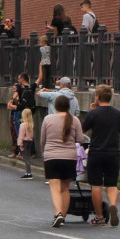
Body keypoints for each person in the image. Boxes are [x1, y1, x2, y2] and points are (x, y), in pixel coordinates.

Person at [82, 85, 120, 226]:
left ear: (97, 97)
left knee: (96, 185)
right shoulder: (118, 114)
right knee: (112, 184)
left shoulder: (93, 114)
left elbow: (82, 130)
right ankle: (113, 205)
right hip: (113, 153)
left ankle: (100, 217)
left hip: (96, 152)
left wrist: (92, 111)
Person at [39, 95, 84, 227]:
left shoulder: (48, 119)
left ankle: (57, 213)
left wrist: (44, 153)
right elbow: (80, 139)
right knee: (65, 188)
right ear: (69, 106)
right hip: (69, 157)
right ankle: (62, 216)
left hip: (52, 156)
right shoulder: (74, 120)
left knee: (55, 188)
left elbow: (43, 139)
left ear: (55, 106)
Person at [18, 108, 34, 180]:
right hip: (30, 142)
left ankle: (28, 173)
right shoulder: (31, 125)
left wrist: (20, 144)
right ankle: (28, 172)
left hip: (24, 142)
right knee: (28, 157)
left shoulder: (23, 125)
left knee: (25, 158)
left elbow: (21, 135)